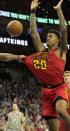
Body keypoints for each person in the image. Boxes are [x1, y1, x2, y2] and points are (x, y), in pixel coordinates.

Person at [23, 0, 68, 130]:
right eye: (47, 36)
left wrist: (59, 11)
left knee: (61, 110)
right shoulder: (42, 52)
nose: (47, 38)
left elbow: (64, 30)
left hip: (59, 87)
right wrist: (32, 12)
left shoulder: (61, 51)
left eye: (50, 36)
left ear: (58, 40)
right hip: (45, 91)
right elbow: (33, 32)